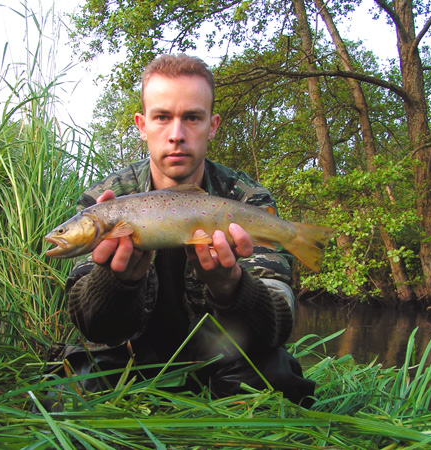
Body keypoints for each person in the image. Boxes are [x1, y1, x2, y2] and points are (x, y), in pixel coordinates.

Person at [50, 54, 315, 407]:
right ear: (142, 125)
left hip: (219, 357)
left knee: (277, 376)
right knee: (70, 389)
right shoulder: (105, 199)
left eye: (192, 117)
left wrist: (231, 287)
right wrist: (116, 283)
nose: (177, 135)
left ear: (212, 125)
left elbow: (277, 325)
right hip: (129, 357)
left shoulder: (247, 199)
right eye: (162, 117)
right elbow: (91, 326)